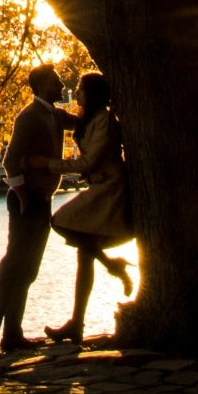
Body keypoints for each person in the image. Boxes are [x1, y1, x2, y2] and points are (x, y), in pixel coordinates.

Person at [0, 64, 77, 359]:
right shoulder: (29, 117)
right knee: (12, 269)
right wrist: (21, 194)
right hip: (27, 199)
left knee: (28, 270)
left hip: (43, 199)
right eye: (56, 82)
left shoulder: (54, 115)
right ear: (44, 86)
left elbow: (79, 123)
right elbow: (11, 160)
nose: (61, 86)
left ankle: (13, 334)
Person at [30, 71, 134, 345]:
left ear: (94, 94)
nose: (76, 92)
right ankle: (76, 323)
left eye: (81, 88)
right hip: (99, 187)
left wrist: (48, 164)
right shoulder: (89, 119)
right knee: (83, 255)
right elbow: (61, 118)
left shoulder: (105, 122)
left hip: (110, 188)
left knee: (61, 221)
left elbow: (89, 163)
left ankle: (111, 268)